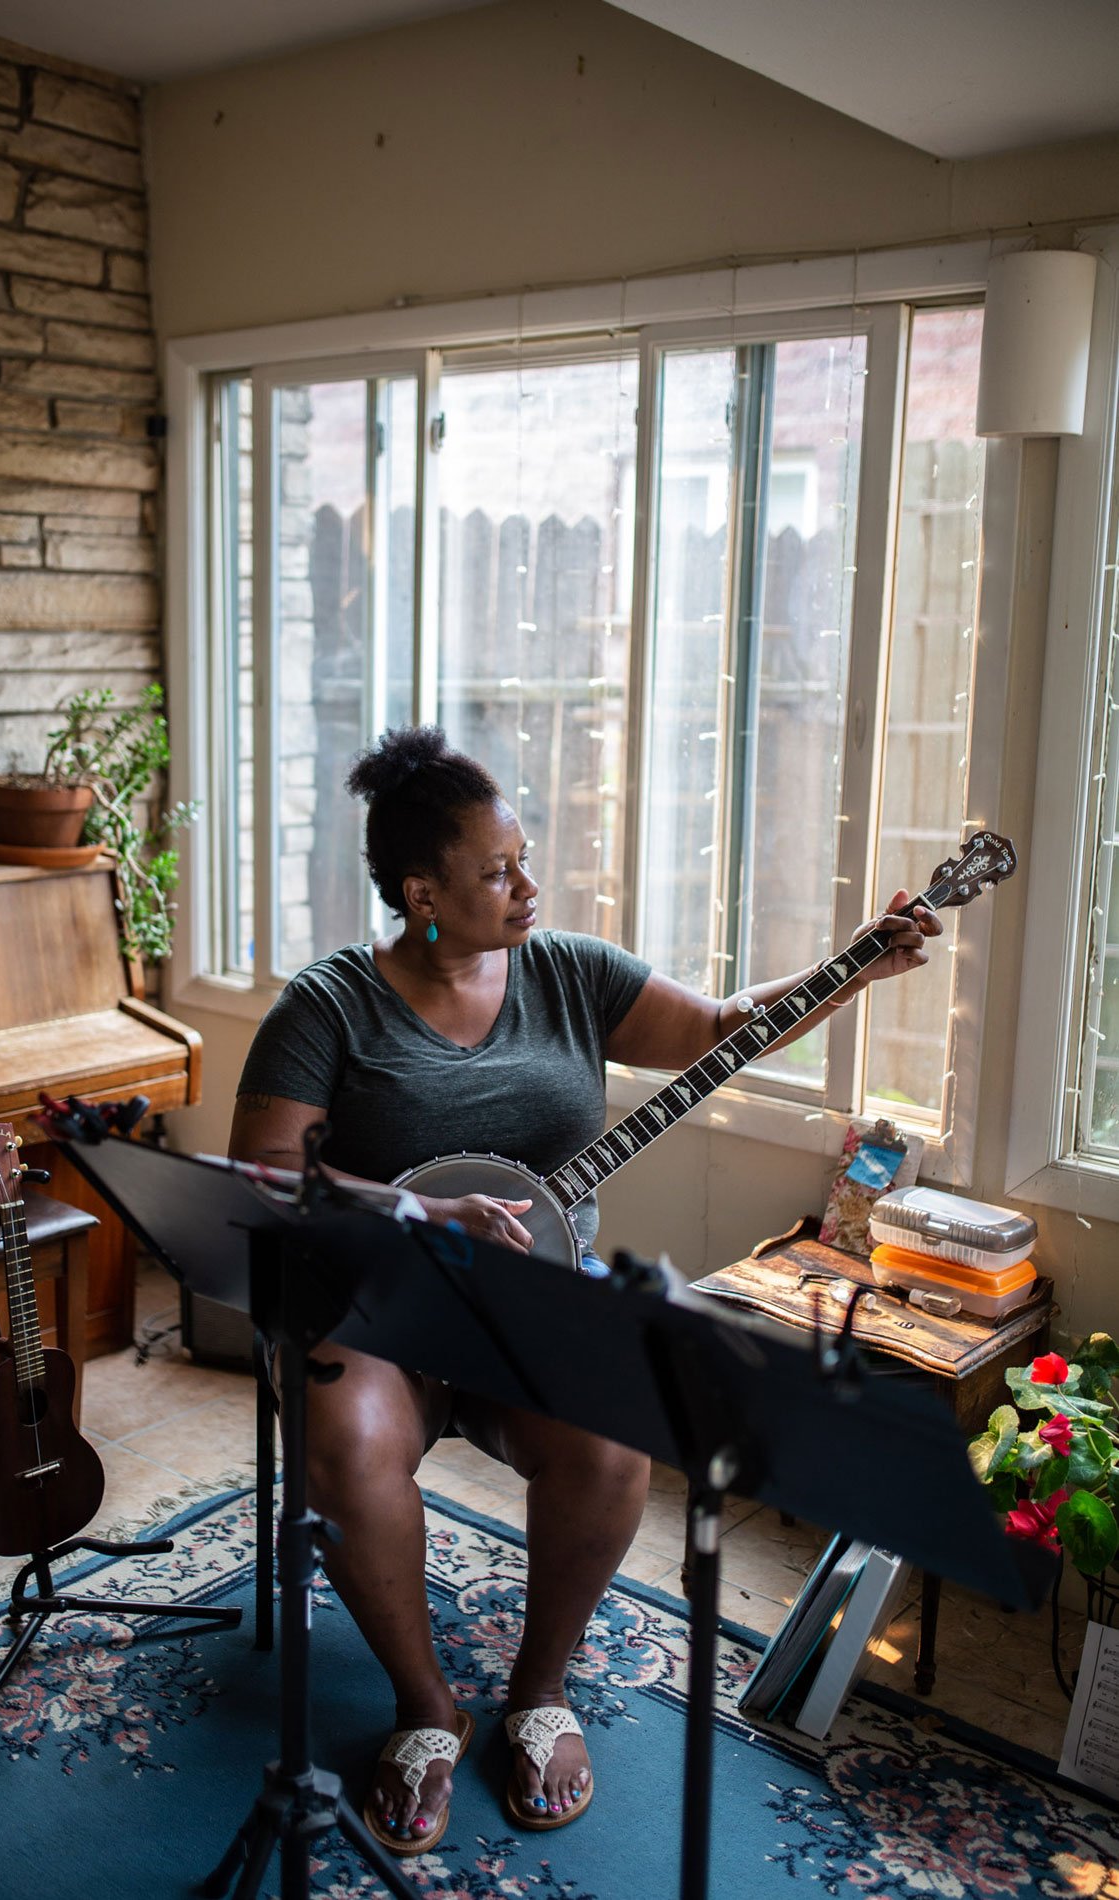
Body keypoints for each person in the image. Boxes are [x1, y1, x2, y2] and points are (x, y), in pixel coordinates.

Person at [230, 724, 941, 1854]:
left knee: (616, 1431)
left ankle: (538, 1689)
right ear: (420, 892)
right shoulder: (328, 1007)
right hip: (379, 1312)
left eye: (525, 856)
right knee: (345, 1447)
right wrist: (419, 1209)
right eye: (496, 869)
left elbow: (715, 1028)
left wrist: (852, 964)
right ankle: (427, 1708)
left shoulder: (567, 970)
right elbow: (270, 1177)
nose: (528, 883)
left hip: (537, 1307)